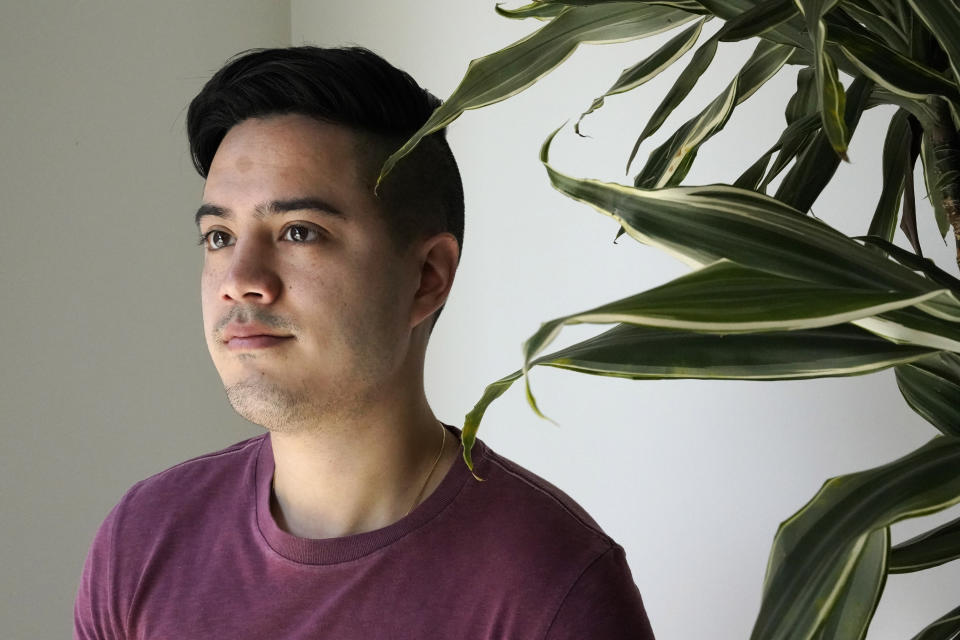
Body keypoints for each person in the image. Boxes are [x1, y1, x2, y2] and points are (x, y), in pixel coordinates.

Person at [73, 46, 655, 639]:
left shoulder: (552, 586)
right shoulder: (143, 539)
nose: (240, 281)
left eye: (299, 232)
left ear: (427, 277)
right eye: (219, 236)